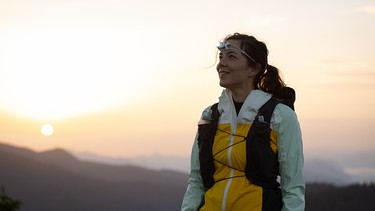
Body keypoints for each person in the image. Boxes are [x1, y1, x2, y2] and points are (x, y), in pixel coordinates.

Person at [181, 33, 305, 211]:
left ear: (253, 69)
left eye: (231, 57)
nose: (221, 64)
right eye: (221, 57)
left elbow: (293, 186)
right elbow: (196, 182)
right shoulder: (210, 115)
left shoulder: (280, 115)